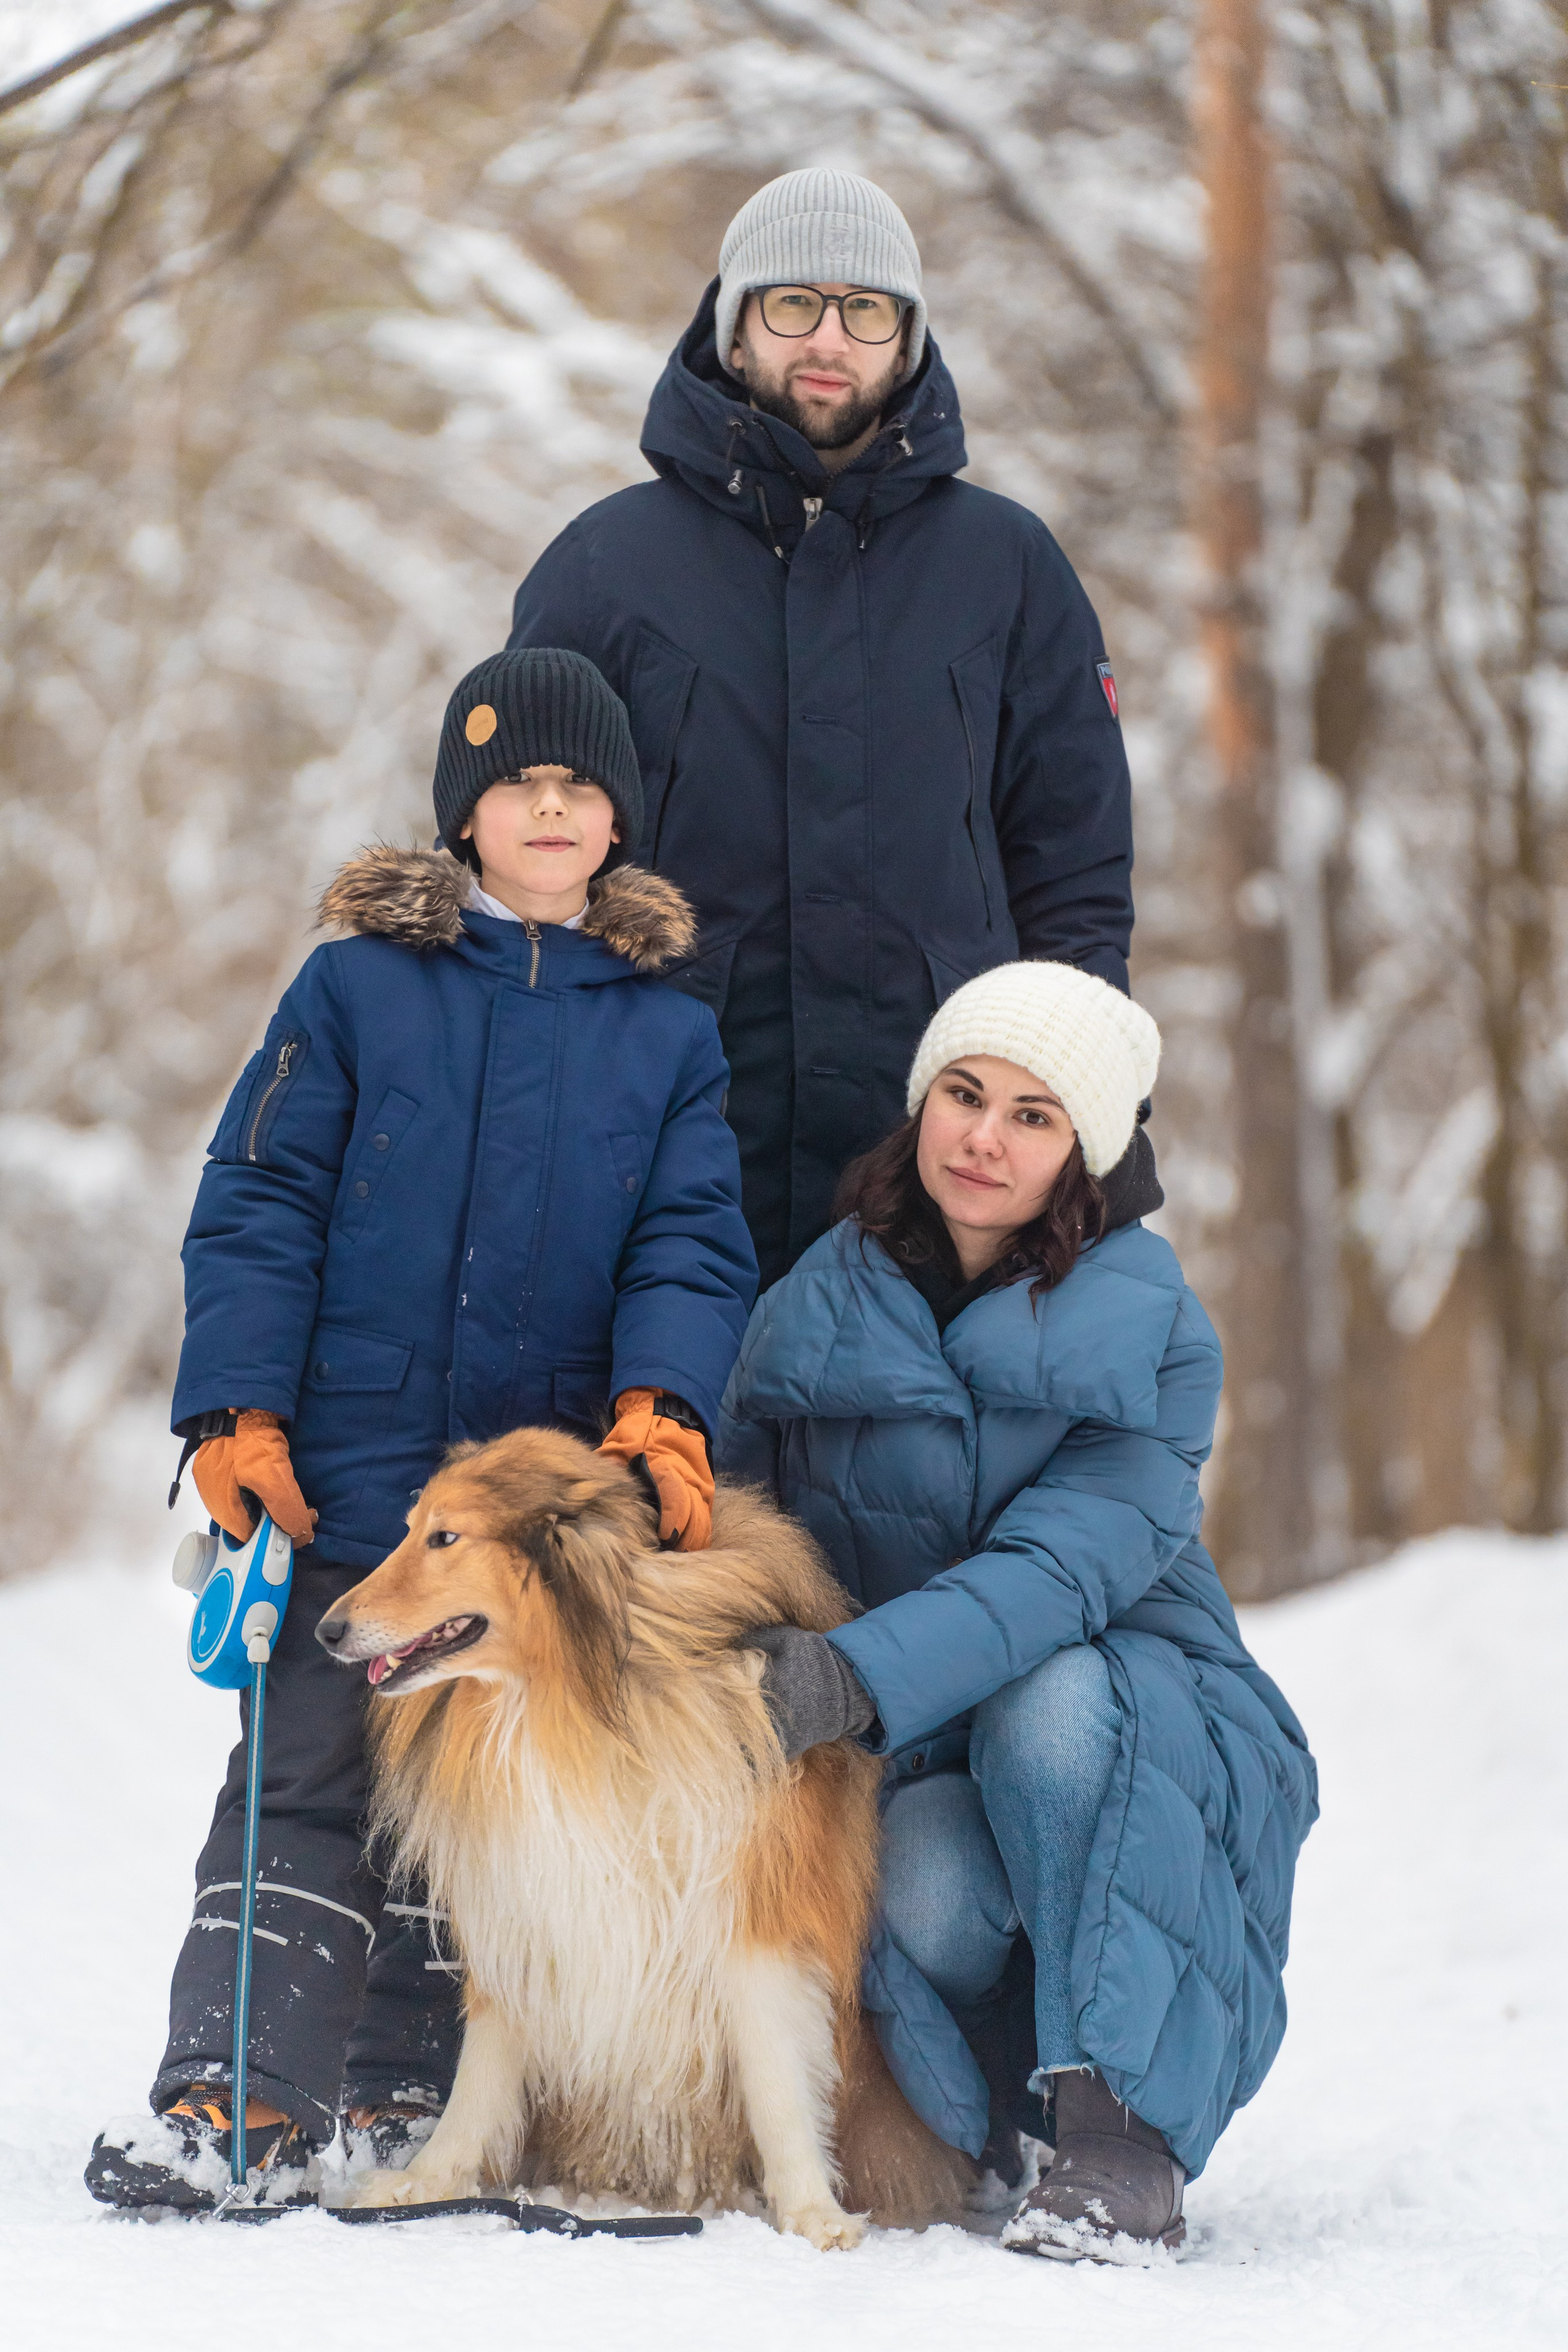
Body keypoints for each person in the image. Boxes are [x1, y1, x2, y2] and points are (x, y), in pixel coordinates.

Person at [85, 647, 757, 2211]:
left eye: (578, 786)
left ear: (615, 826)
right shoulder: (357, 986)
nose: (547, 806)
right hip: (355, 1471)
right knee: (310, 1766)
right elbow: (259, 1198)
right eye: (516, 782)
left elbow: (691, 1239)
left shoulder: (665, 1034)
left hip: (530, 1512)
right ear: (464, 813)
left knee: (479, 1787)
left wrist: (660, 1412)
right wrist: (237, 1412)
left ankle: (409, 2089)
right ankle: (235, 2097)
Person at [720, 962, 1317, 2258]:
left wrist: (850, 1678)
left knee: (1049, 1701)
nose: (983, 1137)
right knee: (924, 1887)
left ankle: (1115, 2140)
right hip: (925, 1743)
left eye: (1033, 1115)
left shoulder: (1150, 1326)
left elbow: (1056, 1576)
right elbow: (729, 1513)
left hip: (1139, 1722)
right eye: (962, 1094)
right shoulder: (816, 1299)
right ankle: (999, 2116)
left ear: (1084, 1156)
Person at [510, 168, 1136, 1289]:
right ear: (736, 329)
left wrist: (1083, 1122)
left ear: (906, 340)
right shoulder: (605, 566)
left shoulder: (1008, 566)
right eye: (791, 303)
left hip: (942, 1160)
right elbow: (517, 866)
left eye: (866, 308)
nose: (828, 336)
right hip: (673, 1151)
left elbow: (1076, 870)